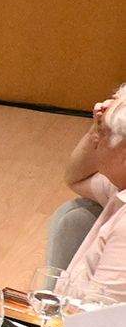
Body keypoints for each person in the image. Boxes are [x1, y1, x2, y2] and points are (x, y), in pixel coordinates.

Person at [58, 85, 126, 301]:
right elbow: (76, 177)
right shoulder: (119, 187)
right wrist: (96, 128)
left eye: (102, 134)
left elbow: (98, 317)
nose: (95, 140)